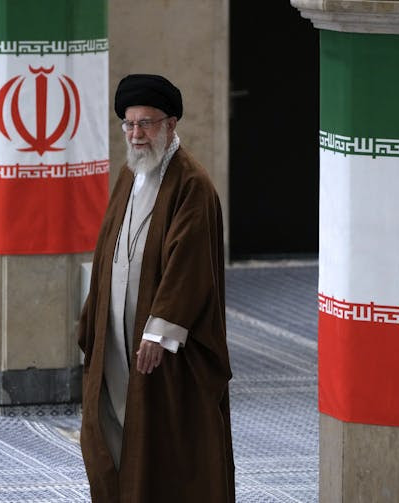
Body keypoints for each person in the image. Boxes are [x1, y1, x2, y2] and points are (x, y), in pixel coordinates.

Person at [76, 74, 235, 502]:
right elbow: (108, 248)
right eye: (129, 125)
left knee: (165, 443)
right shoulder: (132, 174)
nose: (136, 134)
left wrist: (160, 330)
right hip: (117, 341)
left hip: (161, 351)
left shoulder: (191, 184)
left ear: (171, 124)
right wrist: (93, 318)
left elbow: (191, 265)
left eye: (146, 123)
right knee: (109, 427)